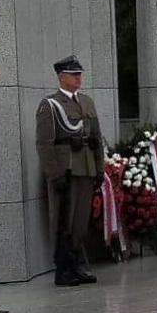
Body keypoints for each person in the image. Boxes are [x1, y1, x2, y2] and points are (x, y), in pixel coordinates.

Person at [36, 56, 106, 286]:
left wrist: (99, 168)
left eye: (79, 74)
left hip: (85, 168)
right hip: (65, 170)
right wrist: (54, 175)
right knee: (63, 220)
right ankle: (63, 268)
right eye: (73, 74)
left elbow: (96, 138)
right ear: (61, 76)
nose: (78, 78)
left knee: (80, 221)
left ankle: (76, 264)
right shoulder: (50, 105)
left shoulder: (87, 102)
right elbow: (44, 144)